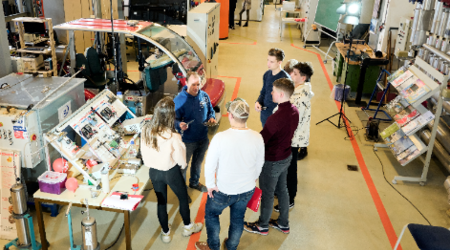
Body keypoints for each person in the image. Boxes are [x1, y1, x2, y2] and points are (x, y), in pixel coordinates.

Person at [195, 97, 265, 250]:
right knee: (238, 218)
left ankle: (213, 246)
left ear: (231, 116)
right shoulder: (257, 137)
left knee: (212, 215)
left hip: (222, 190)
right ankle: (231, 246)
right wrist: (252, 179)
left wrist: (210, 185)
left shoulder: (220, 138)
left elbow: (210, 165)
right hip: (246, 189)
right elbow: (259, 164)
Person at [141, 97, 203, 243]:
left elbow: (144, 153)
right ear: (170, 116)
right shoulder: (173, 136)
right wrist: (181, 166)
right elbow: (181, 159)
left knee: (161, 201)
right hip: (171, 172)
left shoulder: (145, 130)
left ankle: (166, 232)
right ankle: (188, 227)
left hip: (154, 173)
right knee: (182, 198)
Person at [244, 78, 299, 235]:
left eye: (273, 90)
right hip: (286, 156)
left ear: (281, 94)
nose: (271, 93)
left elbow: (262, 140)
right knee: (282, 189)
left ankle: (262, 225)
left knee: (268, 193)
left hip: (272, 160)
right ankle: (283, 223)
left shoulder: (276, 118)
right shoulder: (294, 111)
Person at [273, 62, 314, 212]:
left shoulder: (301, 96)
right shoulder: (296, 90)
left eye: (295, 74)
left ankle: (289, 199)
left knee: (289, 169)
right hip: (288, 137)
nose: (291, 75)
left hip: (291, 139)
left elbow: (292, 120)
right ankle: (282, 193)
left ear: (303, 78)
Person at [174, 71, 216, 193]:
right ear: (186, 83)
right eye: (193, 84)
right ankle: (182, 190)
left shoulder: (204, 96)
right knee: (183, 166)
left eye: (198, 84)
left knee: (197, 164)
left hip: (203, 138)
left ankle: (194, 183)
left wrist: (211, 117)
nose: (196, 87)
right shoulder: (179, 101)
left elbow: (210, 111)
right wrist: (179, 124)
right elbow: (173, 119)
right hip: (187, 141)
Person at [255, 48, 290, 127]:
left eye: (272, 62)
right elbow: (264, 91)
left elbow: (287, 103)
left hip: (277, 119)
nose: (268, 64)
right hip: (265, 115)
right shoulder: (266, 74)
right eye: (268, 60)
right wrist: (258, 102)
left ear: (279, 62)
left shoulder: (285, 79)